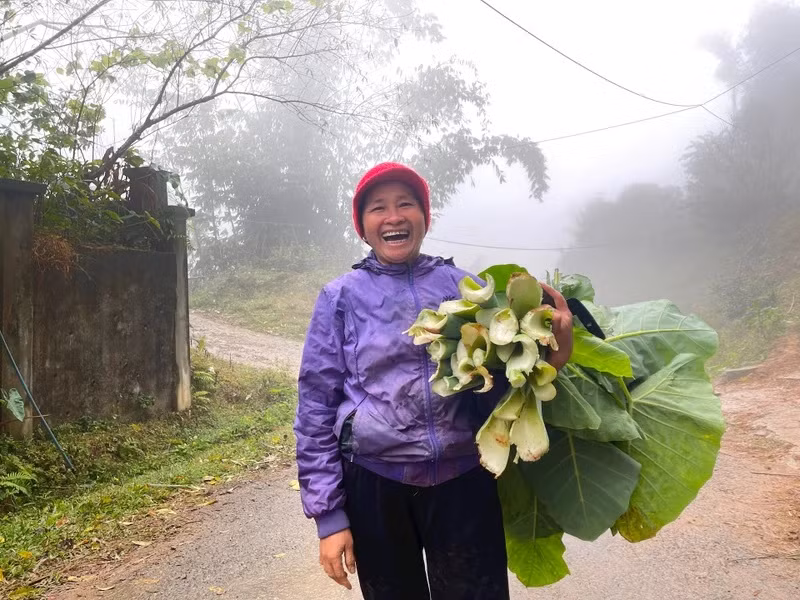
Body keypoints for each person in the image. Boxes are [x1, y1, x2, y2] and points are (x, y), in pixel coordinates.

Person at [294, 162, 573, 600]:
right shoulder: (340, 297)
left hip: (463, 478)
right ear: (363, 227)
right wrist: (330, 518)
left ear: (425, 217)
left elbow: (507, 389)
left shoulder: (466, 289)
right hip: (375, 481)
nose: (393, 216)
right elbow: (315, 407)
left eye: (406, 203)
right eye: (378, 208)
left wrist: (556, 349)